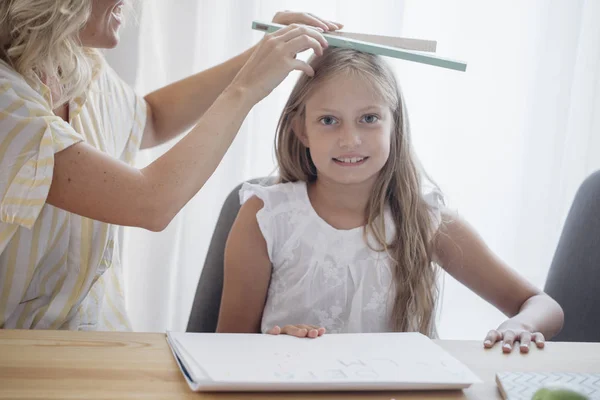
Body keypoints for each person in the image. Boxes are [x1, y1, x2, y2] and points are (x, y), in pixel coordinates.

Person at [0, 0, 342, 330]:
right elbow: (150, 203)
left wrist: (262, 54)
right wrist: (246, 88)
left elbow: (149, 120)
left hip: (102, 344)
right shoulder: (8, 104)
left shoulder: (74, 61)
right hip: (23, 359)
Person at [216, 48, 565, 353]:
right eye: (328, 120)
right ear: (302, 130)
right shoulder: (265, 216)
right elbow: (226, 346)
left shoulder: (427, 221)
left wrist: (520, 326)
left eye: (369, 118)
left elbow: (540, 305)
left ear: (393, 126)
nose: (350, 138)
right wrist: (272, 345)